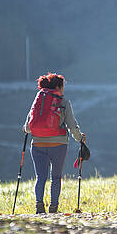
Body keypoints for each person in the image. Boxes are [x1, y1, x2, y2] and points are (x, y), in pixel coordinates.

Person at [23, 72, 86, 213]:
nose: (63, 89)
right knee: (56, 177)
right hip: (58, 145)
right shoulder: (63, 102)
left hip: (37, 144)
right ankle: (53, 207)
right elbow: (72, 125)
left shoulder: (38, 99)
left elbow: (28, 127)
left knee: (40, 177)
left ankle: (39, 205)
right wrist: (80, 138)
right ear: (58, 87)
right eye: (62, 87)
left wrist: (28, 129)